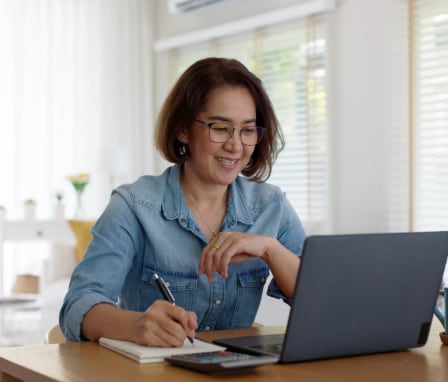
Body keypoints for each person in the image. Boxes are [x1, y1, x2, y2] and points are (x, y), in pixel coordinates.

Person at [59, 57, 306, 346]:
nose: (236, 145)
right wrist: (138, 325)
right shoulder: (134, 206)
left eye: (248, 130)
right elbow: (78, 305)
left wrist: (270, 248)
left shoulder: (271, 205)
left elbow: (322, 301)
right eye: (220, 127)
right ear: (182, 130)